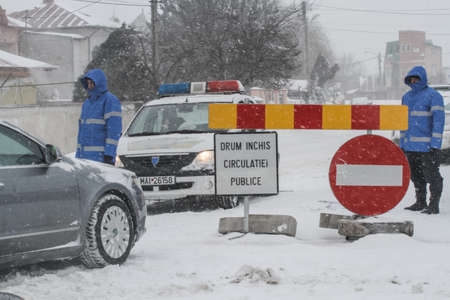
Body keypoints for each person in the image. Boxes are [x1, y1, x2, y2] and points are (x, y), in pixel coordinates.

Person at [401, 66, 445, 214]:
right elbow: (403, 122)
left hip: (427, 147)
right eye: (411, 79)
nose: (413, 81)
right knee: (416, 176)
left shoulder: (434, 96)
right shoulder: (406, 97)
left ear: (423, 79)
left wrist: (435, 144)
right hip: (411, 146)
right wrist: (403, 144)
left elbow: (438, 122)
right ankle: (420, 202)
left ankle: (433, 205)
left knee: (432, 176)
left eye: (416, 78)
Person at [75, 69, 122, 165]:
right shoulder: (86, 104)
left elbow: (114, 130)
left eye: (92, 83)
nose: (90, 86)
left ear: (99, 83)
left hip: (101, 159)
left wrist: (109, 154)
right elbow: (82, 133)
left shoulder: (110, 101)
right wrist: (78, 155)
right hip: (84, 159)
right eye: (88, 83)